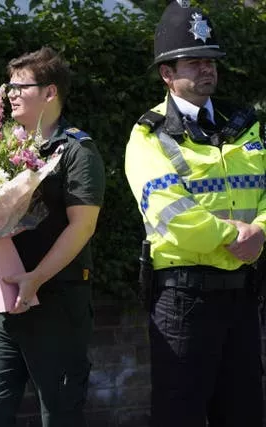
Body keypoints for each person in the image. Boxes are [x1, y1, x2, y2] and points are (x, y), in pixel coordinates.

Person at [124, 2, 265, 426]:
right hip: (184, 301)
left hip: (241, 295)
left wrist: (261, 230)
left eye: (211, 60)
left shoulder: (244, 124)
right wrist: (236, 237)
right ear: (167, 74)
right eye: (195, 62)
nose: (208, 69)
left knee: (245, 414)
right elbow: (172, 213)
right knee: (179, 416)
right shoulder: (148, 135)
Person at [0, 47, 105, 426]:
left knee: (59, 412)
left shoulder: (76, 150)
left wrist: (35, 278)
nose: (10, 93)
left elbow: (83, 225)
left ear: (50, 92)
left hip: (56, 300)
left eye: (20, 86)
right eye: (7, 86)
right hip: (2, 301)